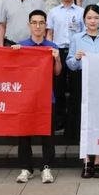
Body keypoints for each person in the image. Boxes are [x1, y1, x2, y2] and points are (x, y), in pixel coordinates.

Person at [11, 9, 62, 184]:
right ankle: (26, 168)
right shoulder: (21, 46)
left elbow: (57, 72)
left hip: (47, 97)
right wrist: (14, 54)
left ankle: (46, 167)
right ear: (29, 25)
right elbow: (12, 71)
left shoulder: (52, 47)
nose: (38, 26)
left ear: (46, 25)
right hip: (26, 97)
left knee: (47, 134)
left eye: (41, 23)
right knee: (24, 134)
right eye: (34, 23)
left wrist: (57, 59)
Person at [66, 4, 99, 178]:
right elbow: (70, 65)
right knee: (84, 120)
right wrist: (76, 58)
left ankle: (98, 161)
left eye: (96, 18)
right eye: (89, 18)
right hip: (82, 81)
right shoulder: (77, 38)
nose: (92, 21)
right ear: (84, 20)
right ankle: (86, 161)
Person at [46, 0, 85, 132]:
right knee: (58, 87)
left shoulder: (81, 12)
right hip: (59, 52)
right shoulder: (53, 12)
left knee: (76, 87)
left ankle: (74, 122)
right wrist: (50, 51)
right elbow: (49, 33)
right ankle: (60, 120)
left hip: (76, 53)